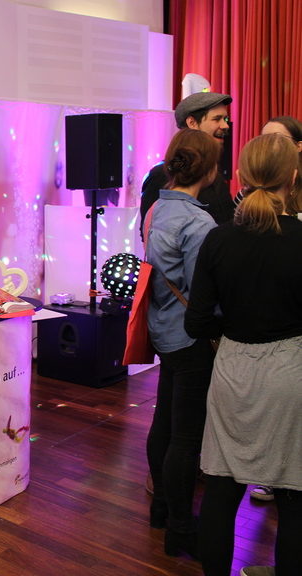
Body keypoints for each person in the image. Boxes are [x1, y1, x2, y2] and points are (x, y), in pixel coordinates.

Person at [185, 133, 302, 576]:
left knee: (220, 493)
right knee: (294, 499)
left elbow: (196, 322)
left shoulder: (219, 240)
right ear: (293, 177)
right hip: (291, 374)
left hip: (233, 370)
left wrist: (230, 330)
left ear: (240, 176)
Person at [143, 129, 221, 560]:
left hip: (163, 330)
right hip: (190, 337)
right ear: (209, 170)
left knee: (164, 422)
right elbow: (203, 294)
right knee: (186, 437)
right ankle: (180, 528)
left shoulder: (158, 208)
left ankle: (160, 509)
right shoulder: (199, 223)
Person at [237, 116, 302, 505]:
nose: (271, 146)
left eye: (279, 140)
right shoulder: (237, 224)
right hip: (274, 348)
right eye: (265, 139)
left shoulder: (222, 236)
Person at [140, 92, 236, 234]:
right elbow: (150, 231)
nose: (225, 125)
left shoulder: (215, 169)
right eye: (217, 119)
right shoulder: (162, 174)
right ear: (192, 123)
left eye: (225, 119)